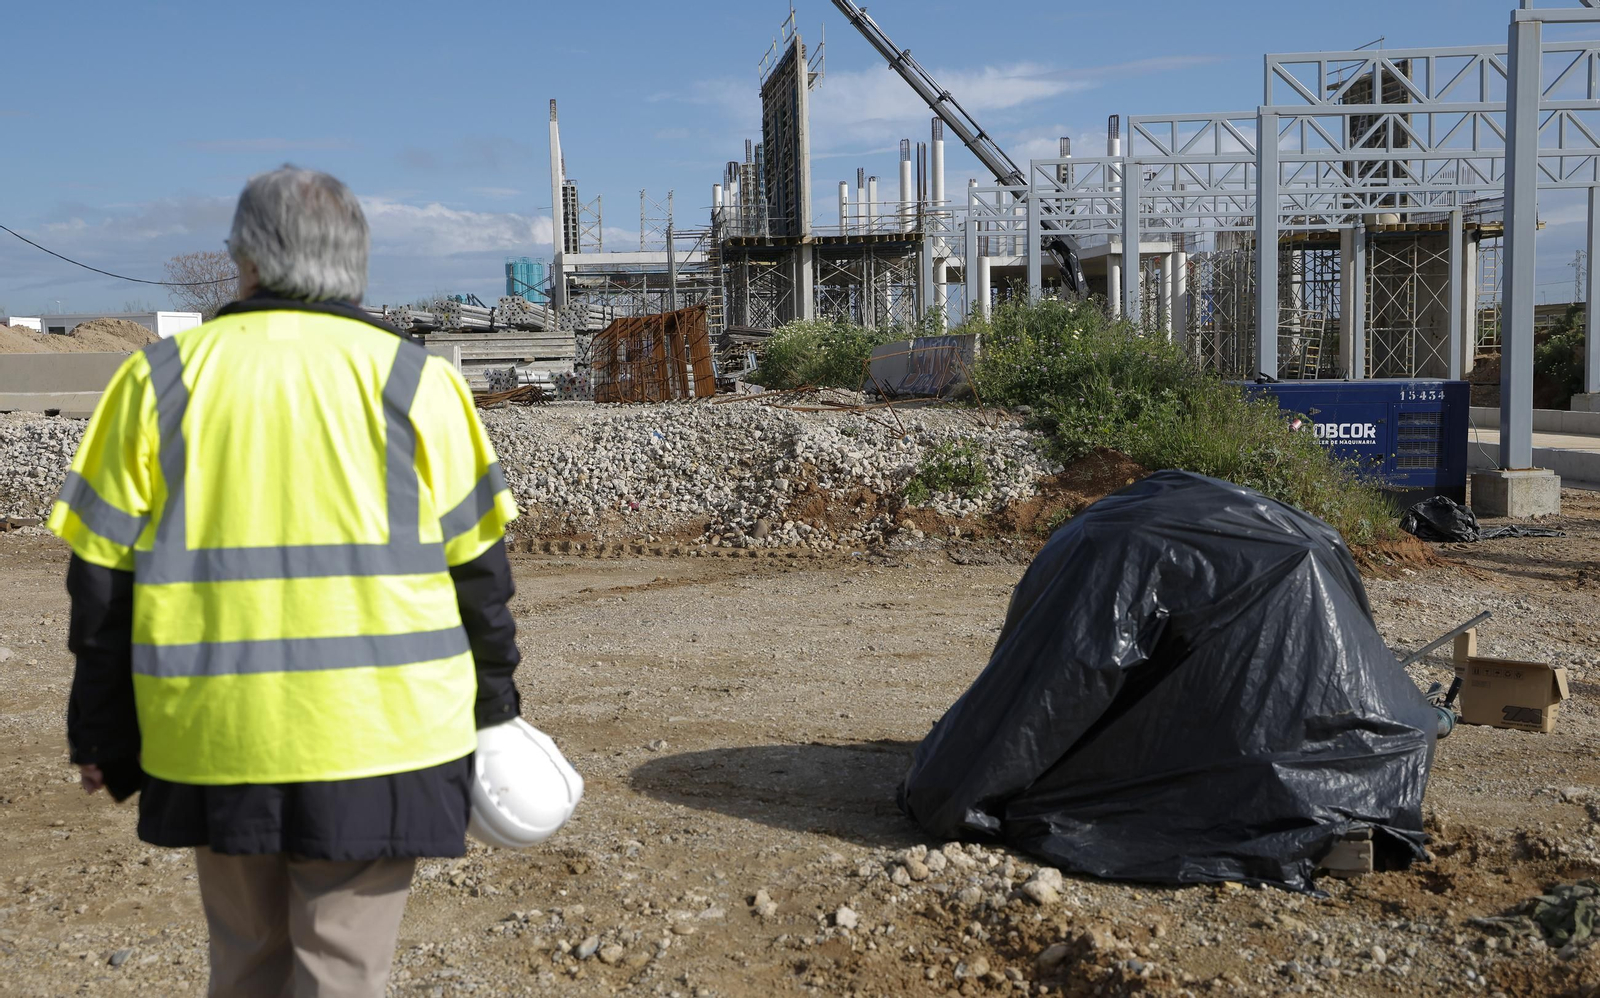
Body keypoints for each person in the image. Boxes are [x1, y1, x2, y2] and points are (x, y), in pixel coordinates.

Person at [51, 165, 523, 998]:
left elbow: (101, 588)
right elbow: (480, 580)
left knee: (245, 959)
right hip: (386, 738)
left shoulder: (158, 380)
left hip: (215, 732)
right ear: (357, 260)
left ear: (247, 258)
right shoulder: (422, 383)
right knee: (343, 968)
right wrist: (497, 718)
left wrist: (102, 737)